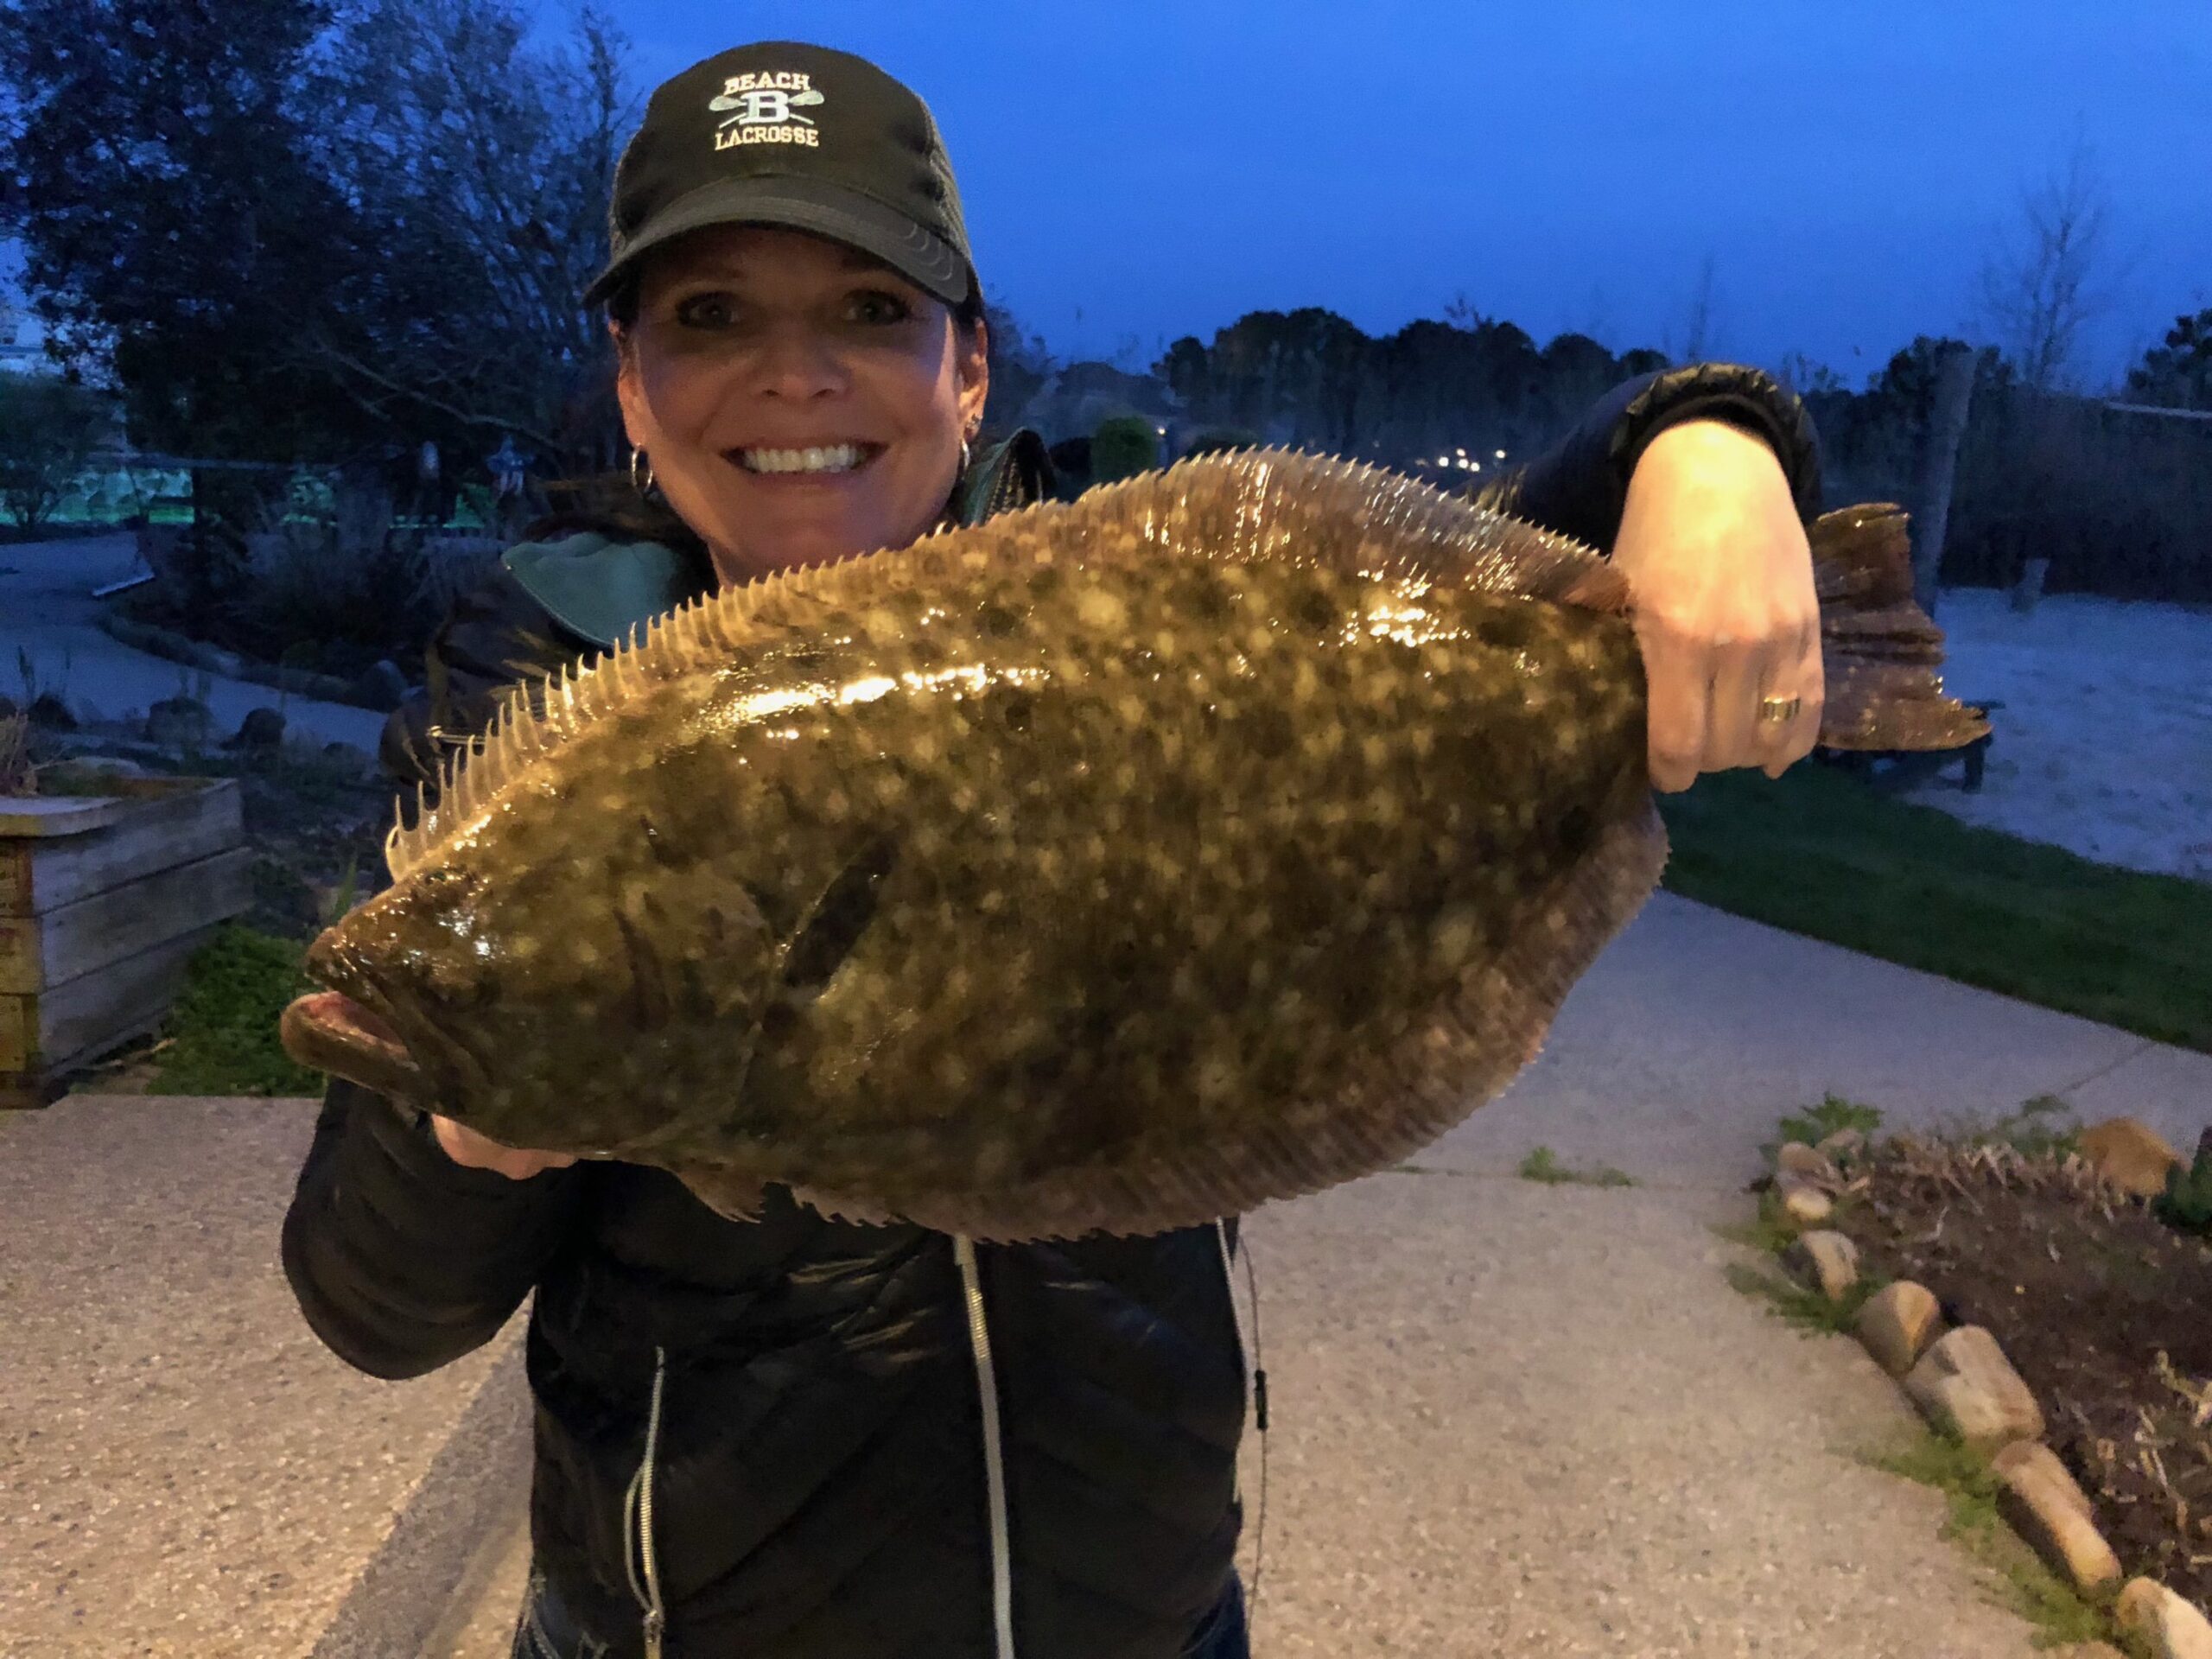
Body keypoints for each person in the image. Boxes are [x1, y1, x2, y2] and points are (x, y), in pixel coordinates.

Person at [281, 39, 1829, 1659]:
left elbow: (1494, 573)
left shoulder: (1144, 627)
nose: (793, 376)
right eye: (711, 316)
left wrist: (1707, 446)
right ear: (630, 381)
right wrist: (460, 1140)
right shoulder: (521, 720)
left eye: (870, 312)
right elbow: (371, 1308)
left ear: (971, 371)